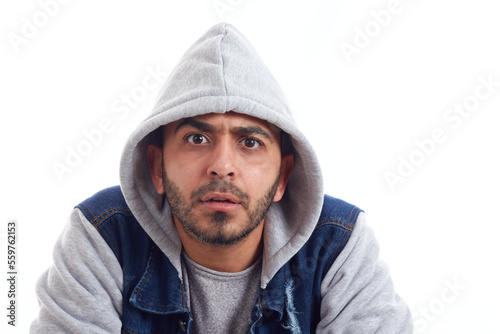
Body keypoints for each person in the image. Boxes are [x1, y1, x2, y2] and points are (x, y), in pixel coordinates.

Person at [31, 23, 413, 333]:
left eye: (250, 142)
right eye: (197, 138)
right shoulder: (103, 238)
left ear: (284, 177)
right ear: (156, 167)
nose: (222, 166)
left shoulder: (338, 247)